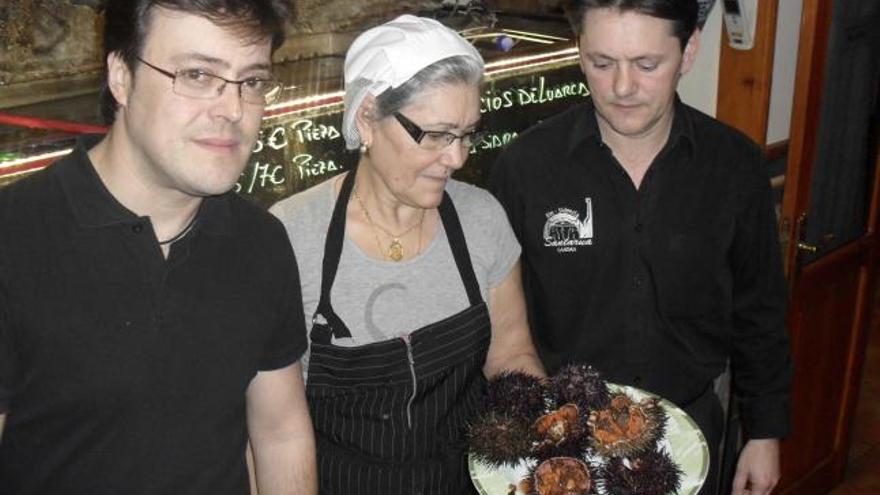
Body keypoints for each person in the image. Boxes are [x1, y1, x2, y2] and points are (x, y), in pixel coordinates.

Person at [0, 1, 316, 494]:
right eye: (196, 74)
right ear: (121, 77)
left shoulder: (261, 240)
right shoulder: (14, 238)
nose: (233, 110)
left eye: (251, 81)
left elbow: (280, 434)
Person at [489, 1, 792, 495]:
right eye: (601, 63)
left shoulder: (734, 166)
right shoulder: (525, 166)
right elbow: (500, 320)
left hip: (690, 430)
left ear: (688, 50)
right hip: (564, 442)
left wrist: (765, 431)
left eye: (647, 65)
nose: (622, 88)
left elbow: (759, 311)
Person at [270, 14, 545, 495]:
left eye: (466, 134)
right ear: (367, 118)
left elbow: (511, 354)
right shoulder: (291, 237)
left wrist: (551, 445)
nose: (457, 158)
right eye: (436, 134)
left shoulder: (482, 219)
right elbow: (272, 428)